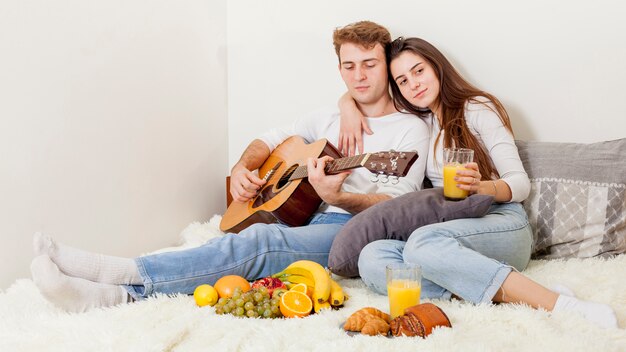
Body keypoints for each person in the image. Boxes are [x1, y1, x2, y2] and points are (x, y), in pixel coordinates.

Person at [29, 21, 431, 313]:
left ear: (386, 65)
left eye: (369, 64)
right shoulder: (326, 117)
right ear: (338, 67)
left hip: (353, 229)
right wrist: (243, 168)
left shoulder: (409, 131)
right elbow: (269, 140)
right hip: (302, 214)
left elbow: (395, 206)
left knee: (258, 243)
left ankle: (115, 278)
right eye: (348, 66)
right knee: (226, 245)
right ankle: (115, 294)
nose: (358, 76)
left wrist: (340, 196)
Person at [338, 36, 619, 329]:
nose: (414, 84)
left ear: (437, 66)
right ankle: (512, 293)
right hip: (451, 230)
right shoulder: (419, 124)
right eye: (403, 81)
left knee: (422, 242)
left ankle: (561, 304)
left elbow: (520, 184)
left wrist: (482, 188)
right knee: (372, 257)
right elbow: (365, 96)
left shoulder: (477, 108)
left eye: (419, 71)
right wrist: (346, 104)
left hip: (502, 223)